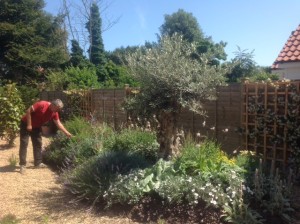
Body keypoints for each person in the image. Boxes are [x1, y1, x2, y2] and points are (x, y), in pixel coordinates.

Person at [19, 99, 72, 173]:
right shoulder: (42, 104)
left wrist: (67, 133)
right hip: (26, 123)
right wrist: (29, 124)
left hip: (36, 126)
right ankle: (22, 165)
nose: (58, 111)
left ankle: (37, 163)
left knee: (38, 143)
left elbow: (58, 123)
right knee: (24, 143)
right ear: (53, 105)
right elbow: (28, 111)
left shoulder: (54, 112)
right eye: (57, 109)